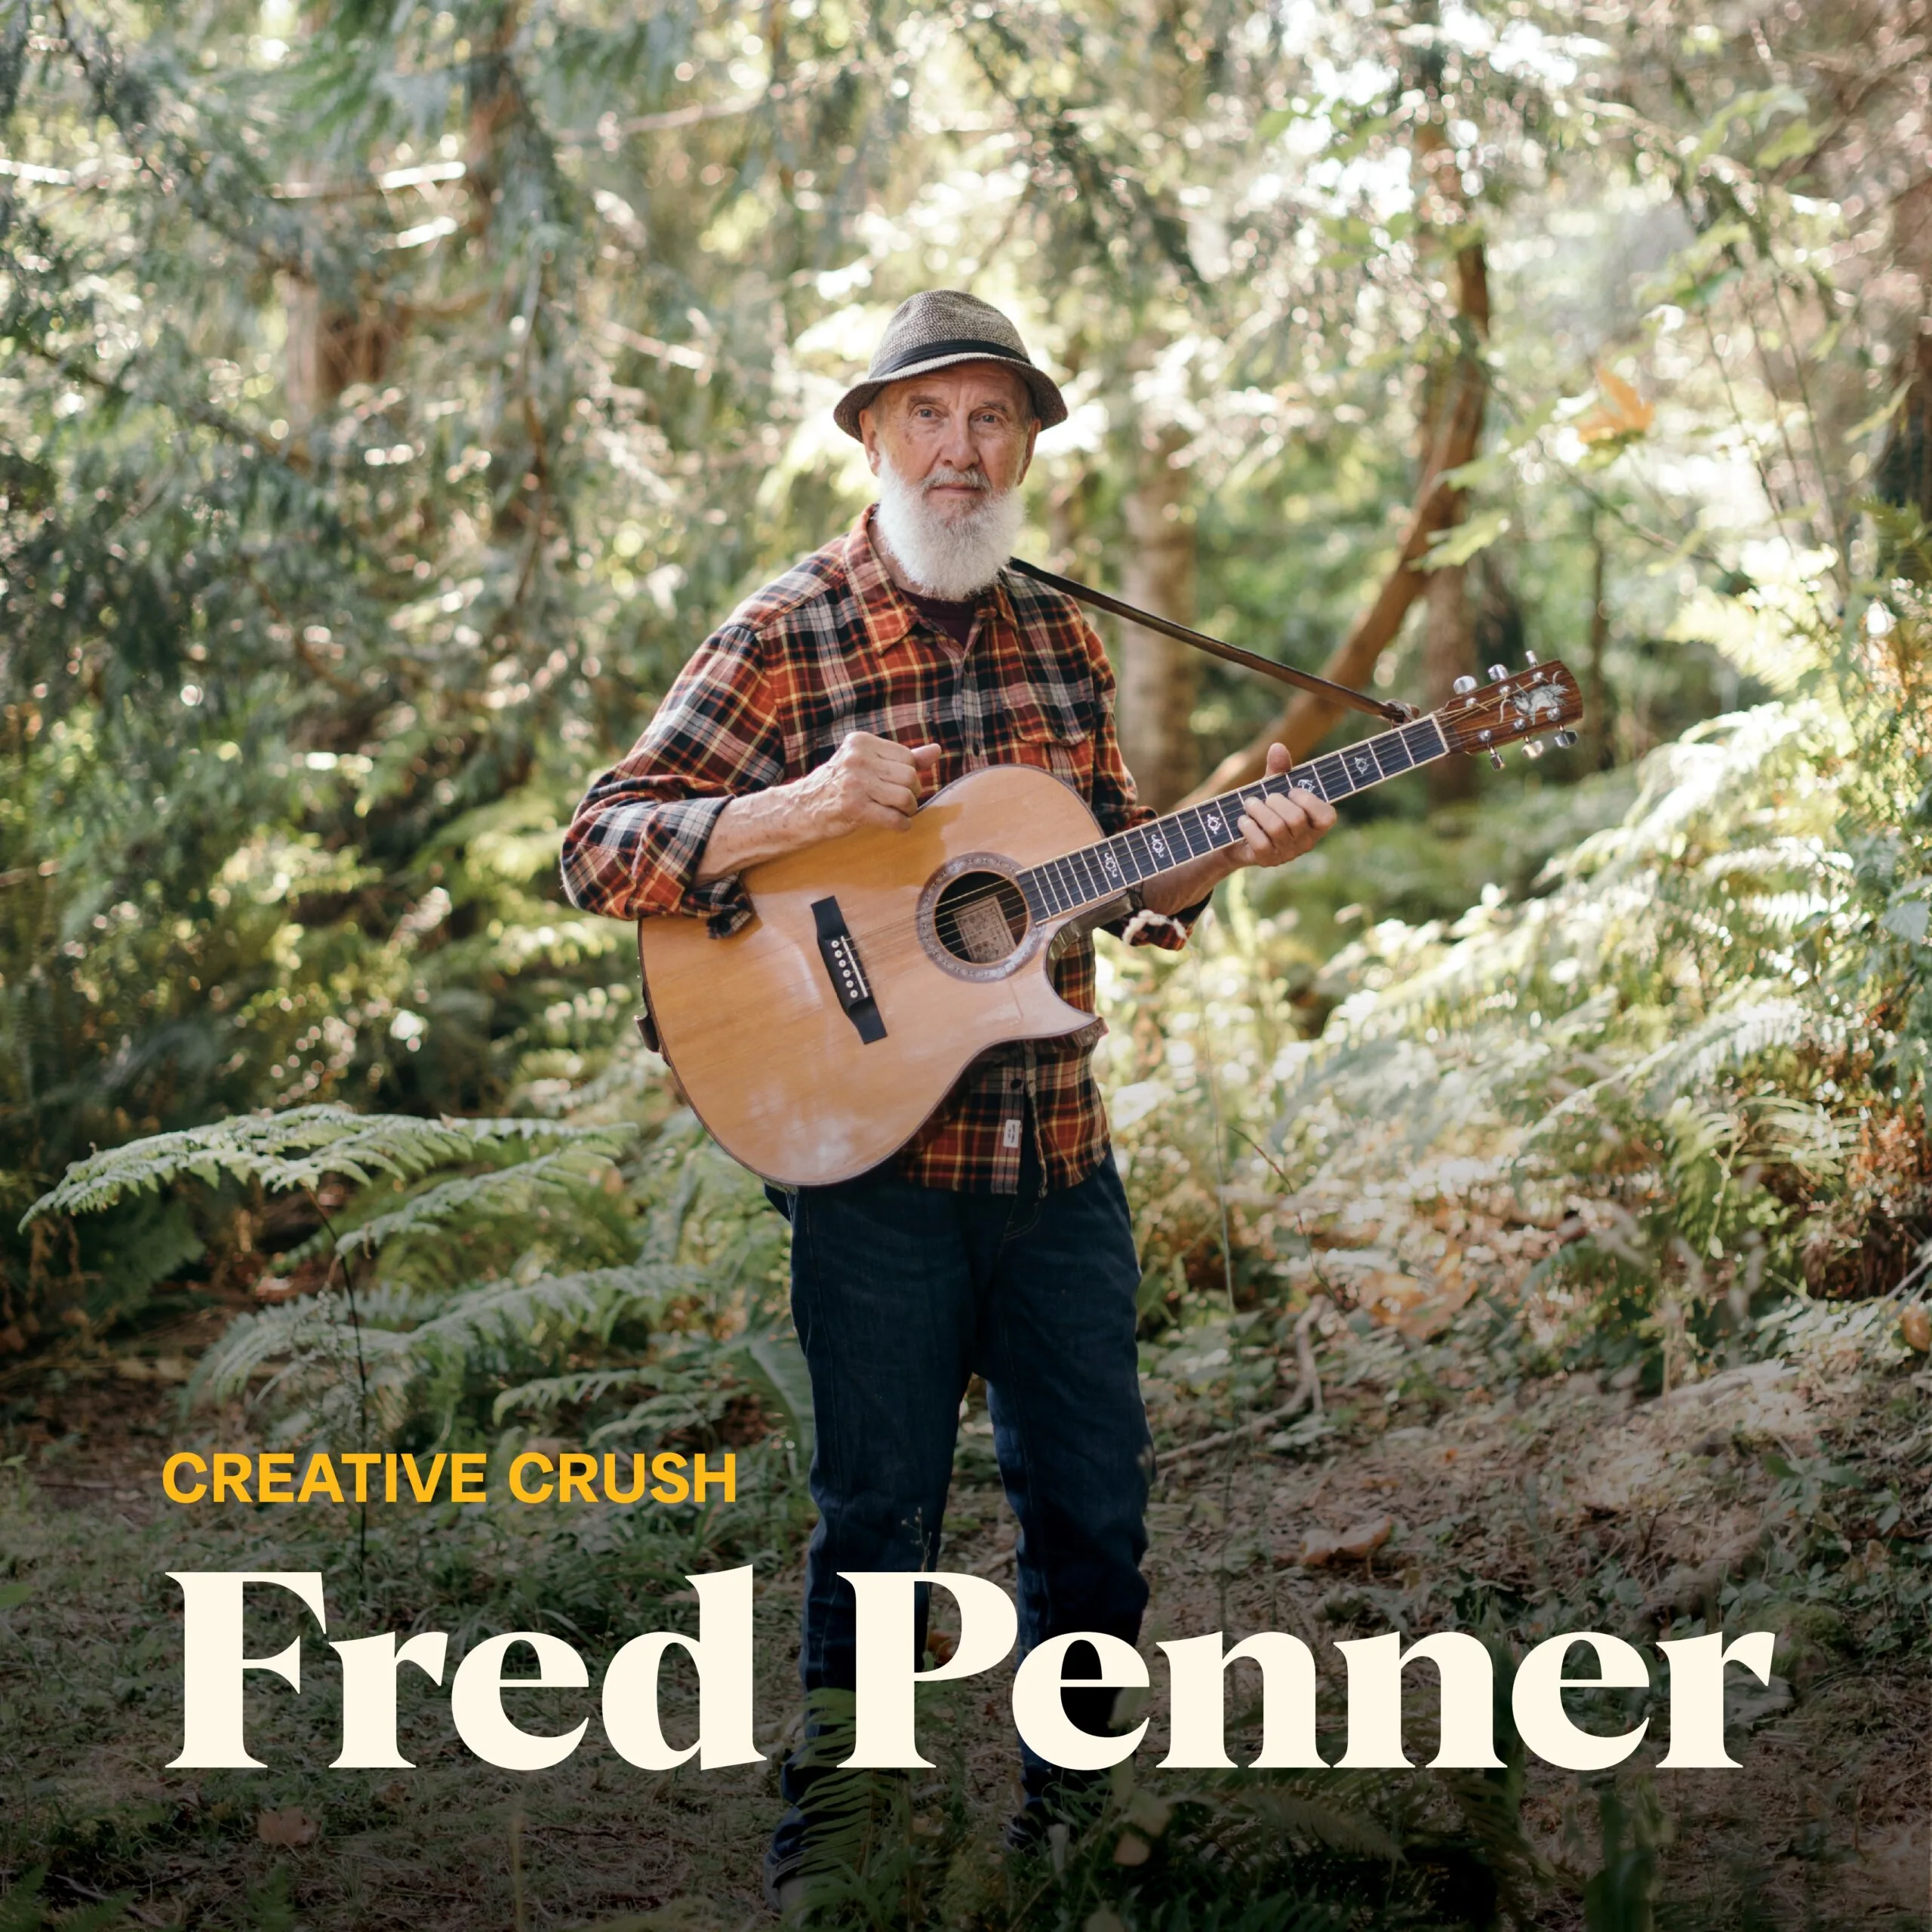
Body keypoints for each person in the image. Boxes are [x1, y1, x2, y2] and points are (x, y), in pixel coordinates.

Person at [559, 289, 1336, 1907]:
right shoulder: (785, 631)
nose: (961, 450)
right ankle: (834, 1849)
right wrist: (792, 803)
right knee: (877, 1525)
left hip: (1057, 1157)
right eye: (930, 415)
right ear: (870, 435)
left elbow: (1108, 876)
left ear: (1029, 446)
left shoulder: (1062, 635)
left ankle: (1070, 1830)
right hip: (870, 1169)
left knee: (1095, 1518)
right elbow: (598, 842)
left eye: (993, 420)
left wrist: (1229, 842)